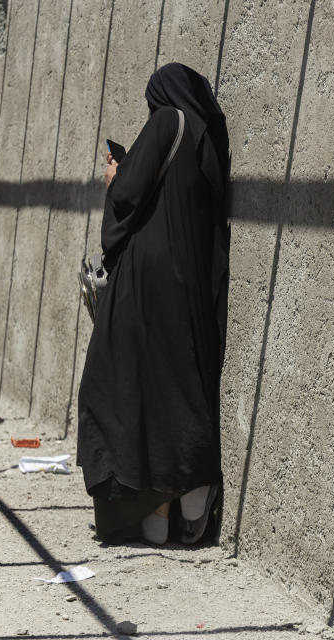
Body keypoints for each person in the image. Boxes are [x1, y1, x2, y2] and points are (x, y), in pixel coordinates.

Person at [77, 62, 230, 545]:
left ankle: (162, 500)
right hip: (191, 280)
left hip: (148, 279)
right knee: (172, 382)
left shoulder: (166, 122)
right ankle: (175, 497)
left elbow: (128, 194)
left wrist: (113, 176)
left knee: (112, 382)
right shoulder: (207, 135)